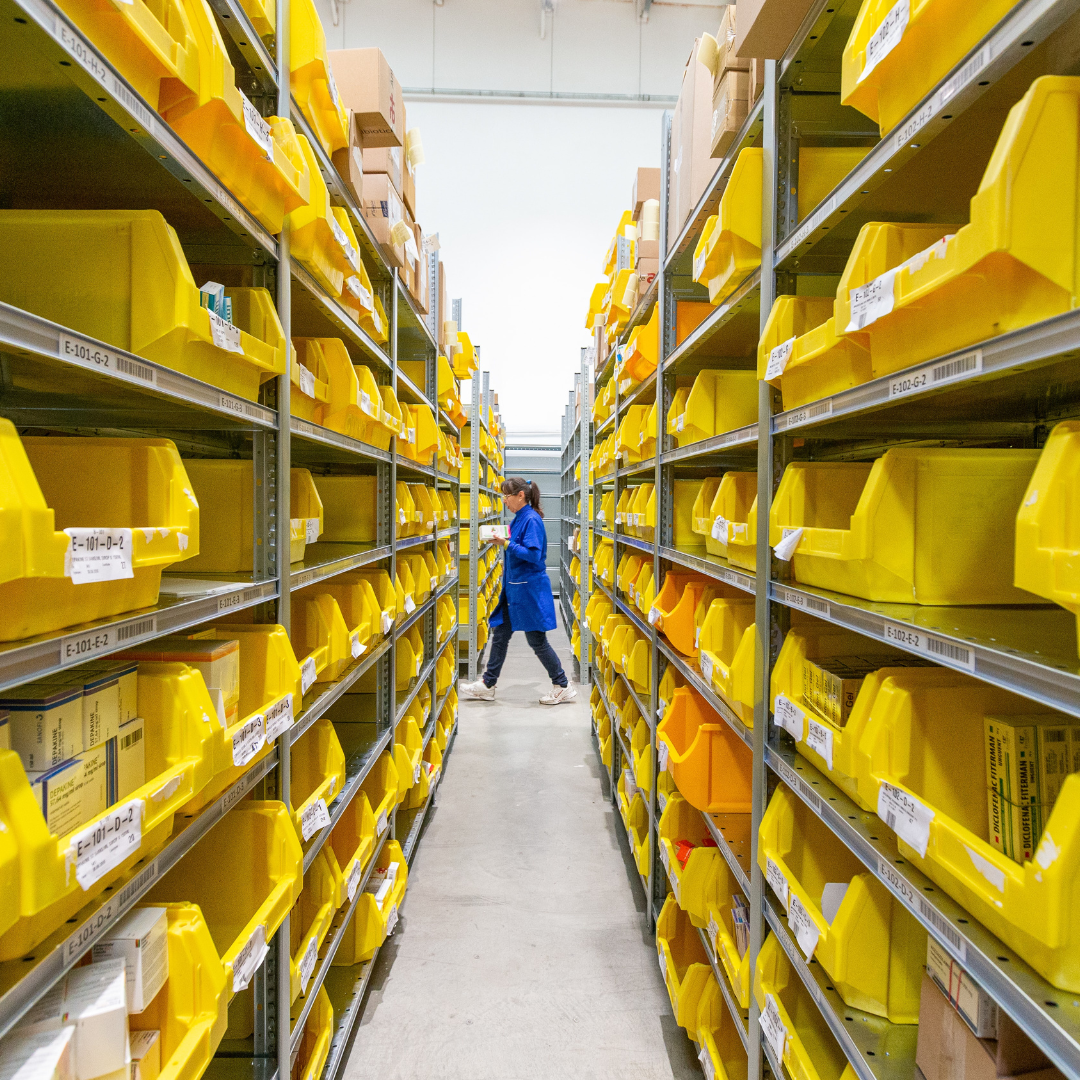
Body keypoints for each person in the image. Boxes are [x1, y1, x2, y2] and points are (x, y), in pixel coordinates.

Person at [460, 477, 577, 705]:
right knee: (501, 633)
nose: (504, 501)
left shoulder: (531, 519)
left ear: (520, 496)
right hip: (514, 589)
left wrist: (505, 543)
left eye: (507, 496)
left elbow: (533, 555)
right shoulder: (520, 518)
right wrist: (502, 539)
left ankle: (562, 685)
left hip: (528, 590)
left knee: (537, 640)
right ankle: (487, 684)